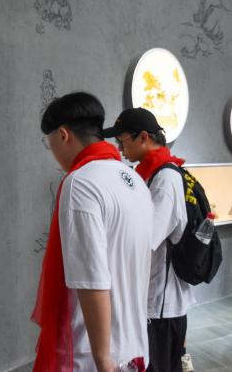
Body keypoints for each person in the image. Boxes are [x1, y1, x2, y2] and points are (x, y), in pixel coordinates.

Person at [33, 92, 153, 372]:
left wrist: (103, 359)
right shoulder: (134, 180)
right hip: (135, 345)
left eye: (50, 145)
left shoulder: (80, 183)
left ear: (63, 135)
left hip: (90, 354)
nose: (54, 155)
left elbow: (92, 280)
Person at [103, 108, 195, 372]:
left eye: (122, 141)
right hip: (153, 299)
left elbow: (147, 239)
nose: (120, 149)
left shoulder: (165, 178)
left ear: (143, 137)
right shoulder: (150, 173)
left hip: (161, 305)